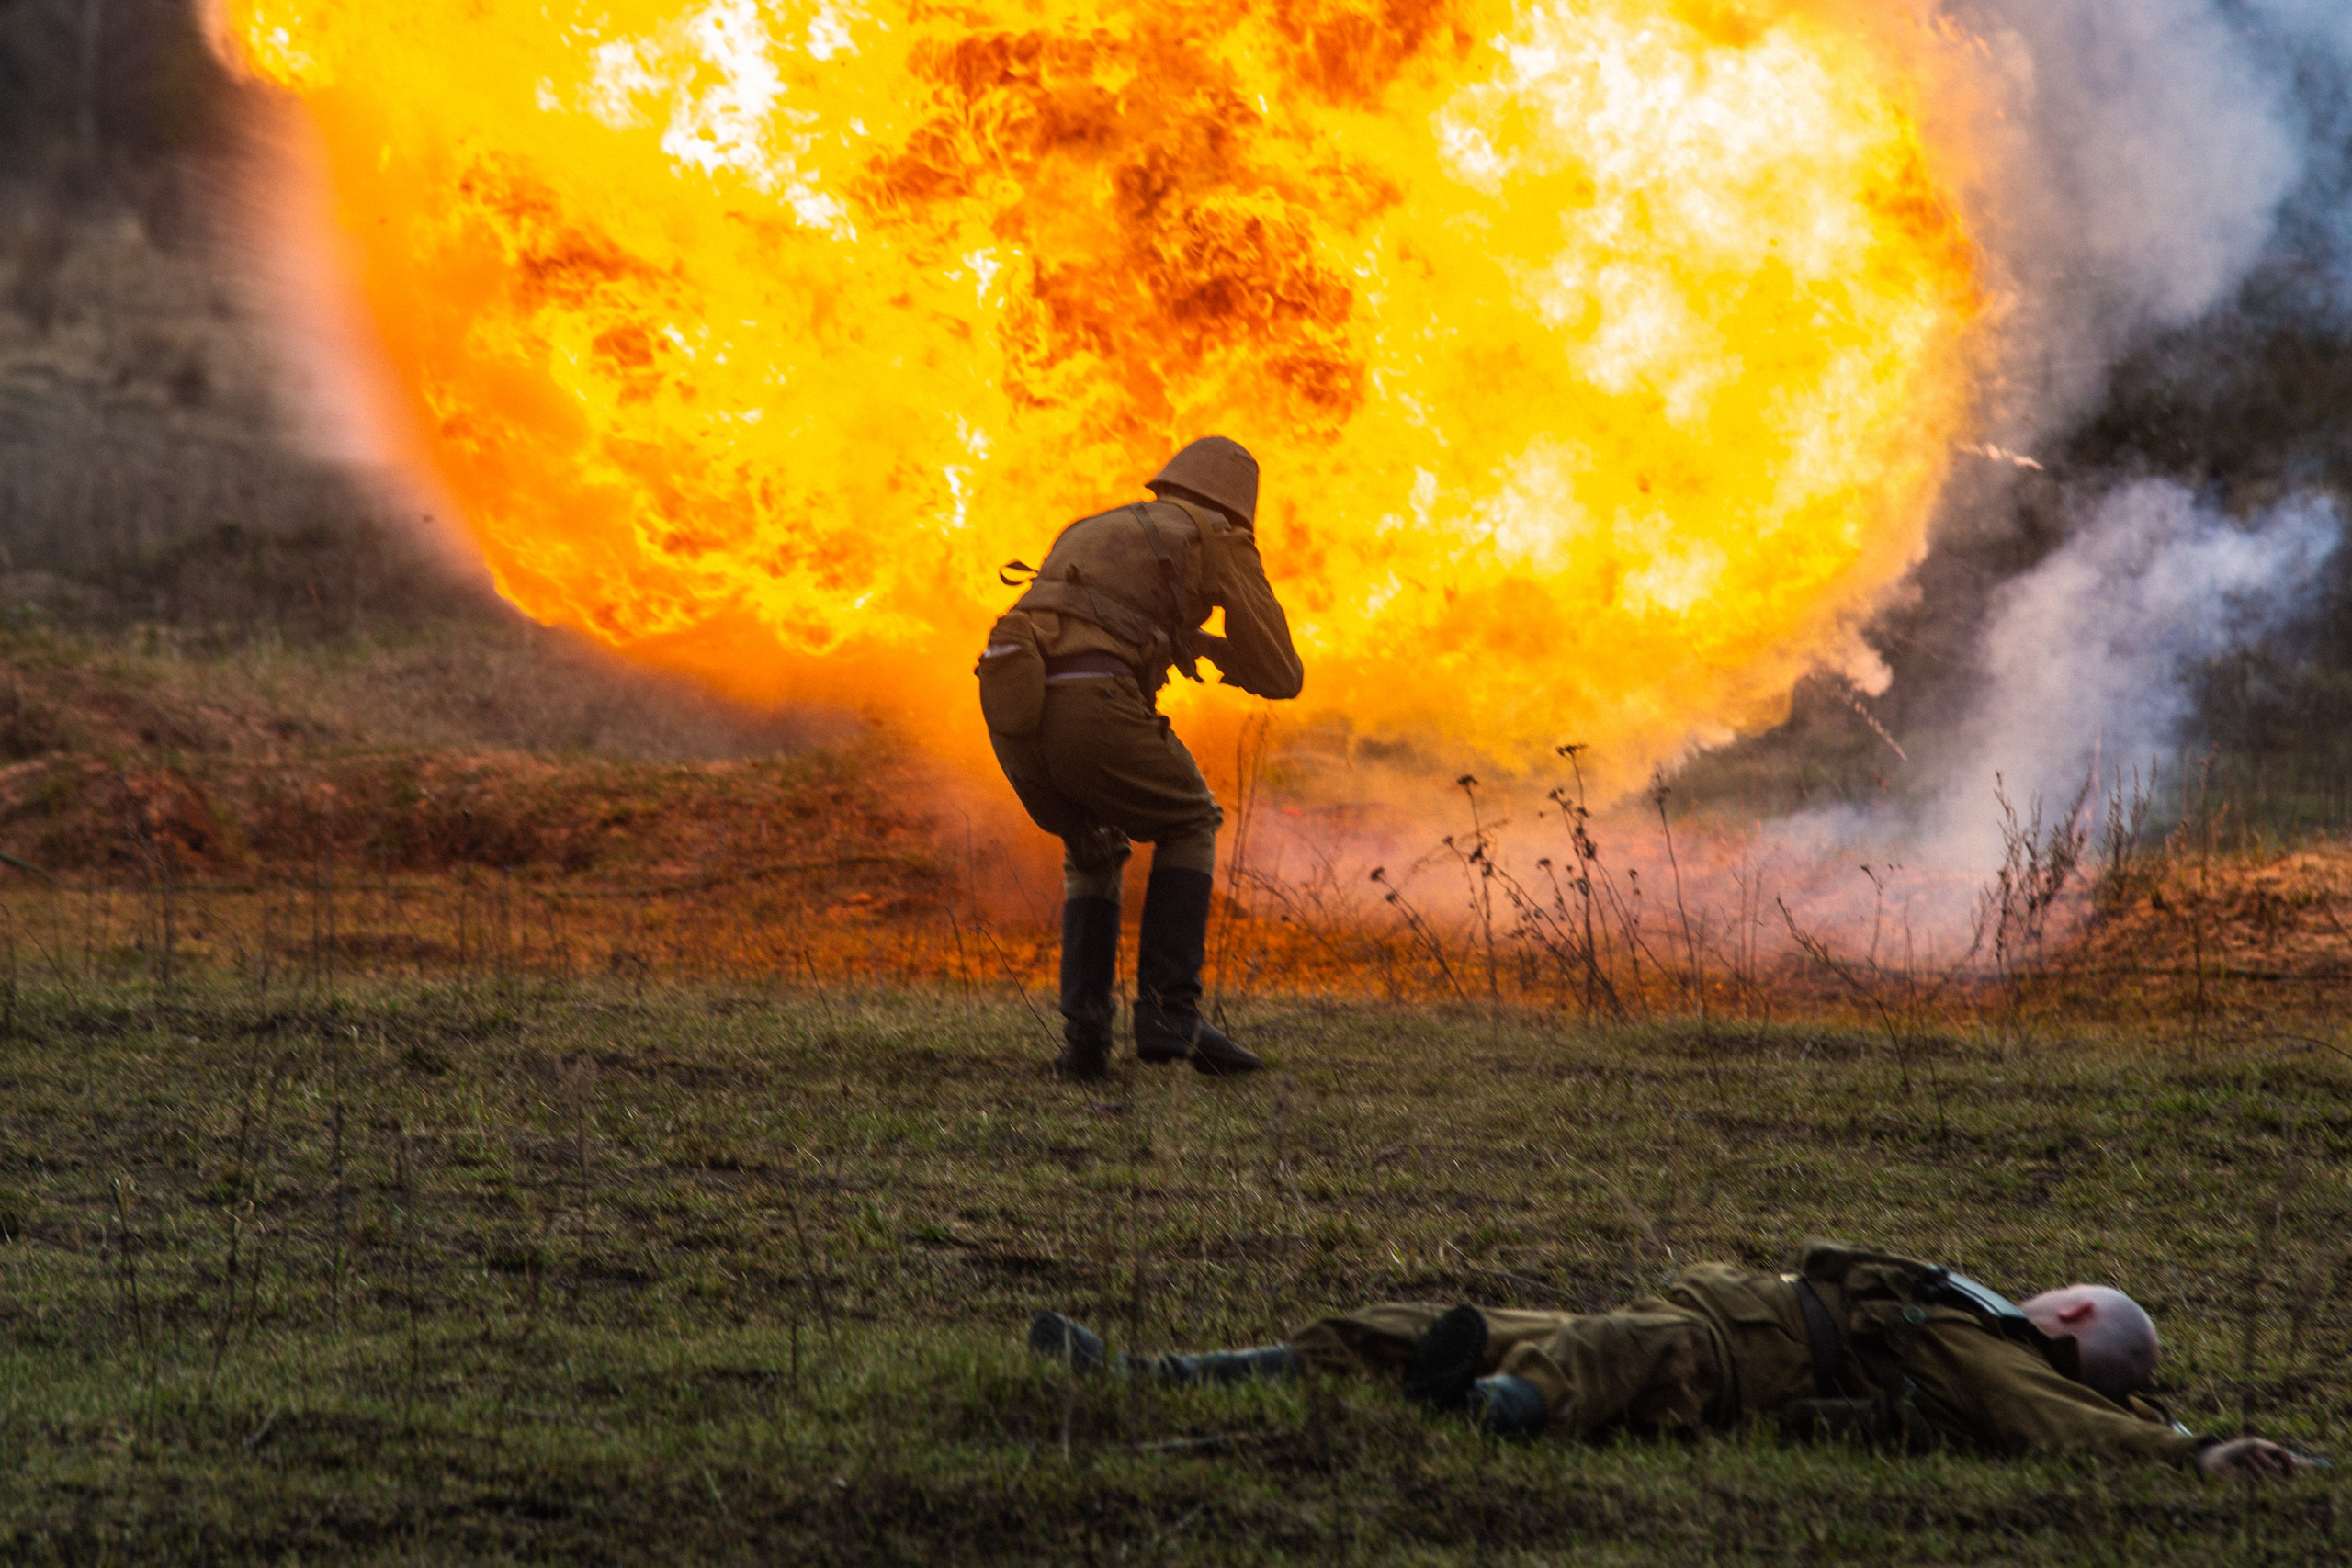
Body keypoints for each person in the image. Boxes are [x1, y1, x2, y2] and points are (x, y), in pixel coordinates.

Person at [1025, 1237, 2312, 1478]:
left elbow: (2054, 1426)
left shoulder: (1997, 1346)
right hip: (1676, 1328)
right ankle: (1152, 1377)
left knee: (1603, 1351)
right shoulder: (1979, 1328)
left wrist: (2193, 1451)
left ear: (2072, 1319)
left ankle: (1476, 1415)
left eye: (2065, 1299)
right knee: (1397, 1319)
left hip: (1707, 1356)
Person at [976, 436, 1305, 1081]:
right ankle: (1168, 1013)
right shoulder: (1217, 536)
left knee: (1093, 845)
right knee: (1191, 819)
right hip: (1091, 702)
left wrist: (1189, 641)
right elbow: (1280, 673)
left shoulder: (1096, 527)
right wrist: (1229, 651)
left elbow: (1088, 620)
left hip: (1012, 708)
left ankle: (1085, 1042)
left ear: (1169, 483)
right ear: (1238, 506)